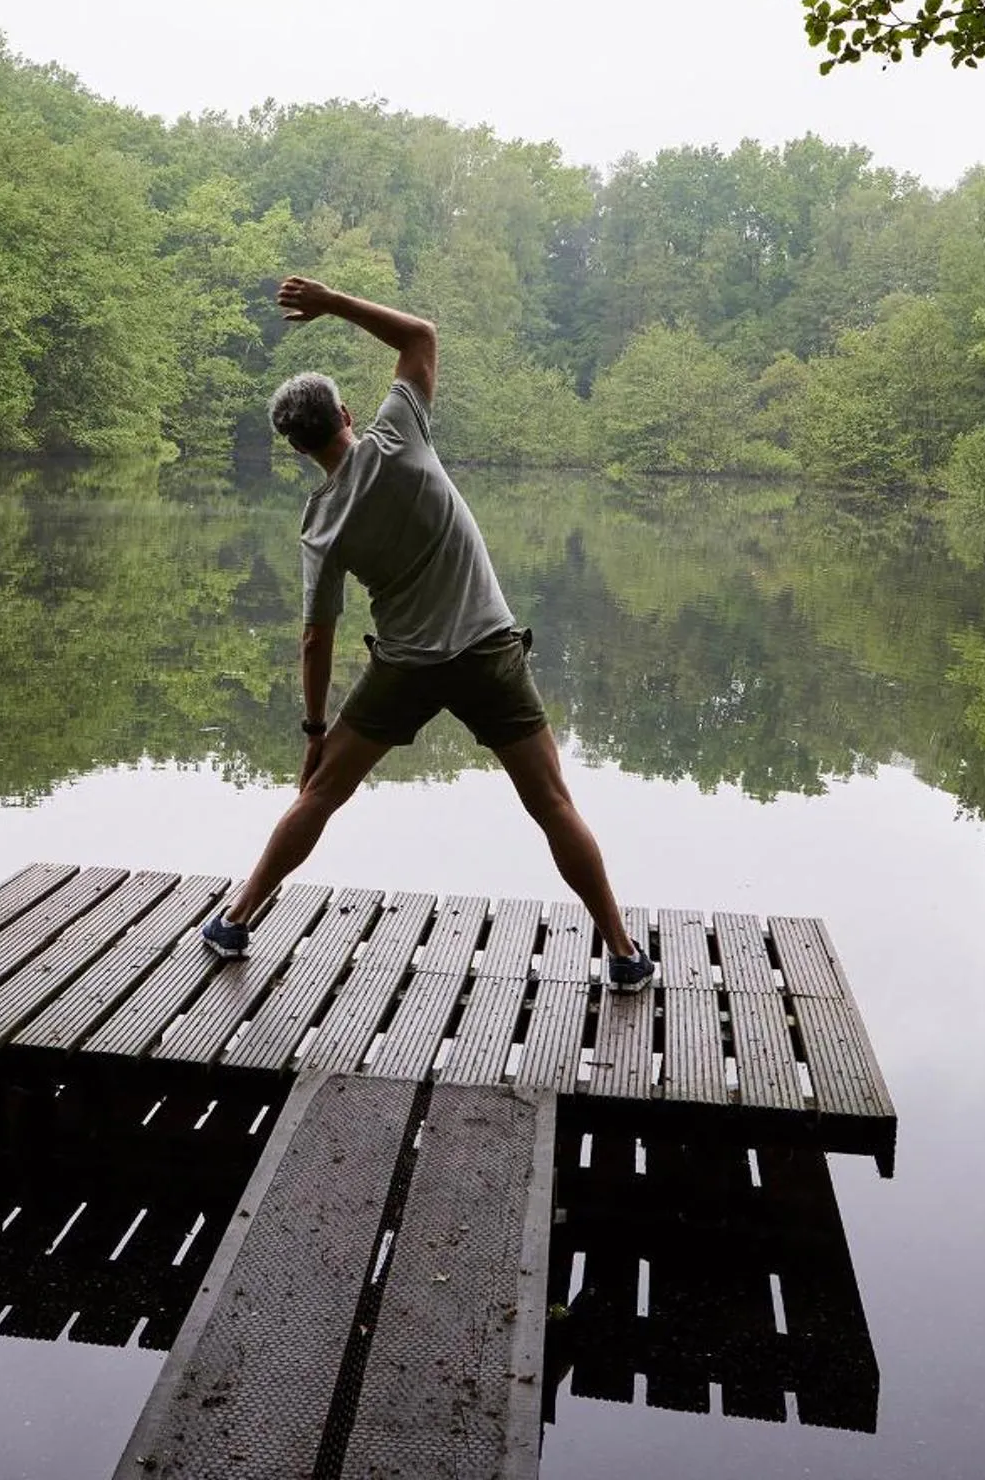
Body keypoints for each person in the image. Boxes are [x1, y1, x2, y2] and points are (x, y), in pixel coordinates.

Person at [198, 275, 655, 993]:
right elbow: (421, 336)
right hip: (488, 654)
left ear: (295, 448)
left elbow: (317, 639)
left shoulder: (320, 526)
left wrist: (316, 729)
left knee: (318, 795)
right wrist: (334, 304)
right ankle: (624, 952)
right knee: (553, 805)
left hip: (404, 668)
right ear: (347, 411)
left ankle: (235, 920)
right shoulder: (399, 436)